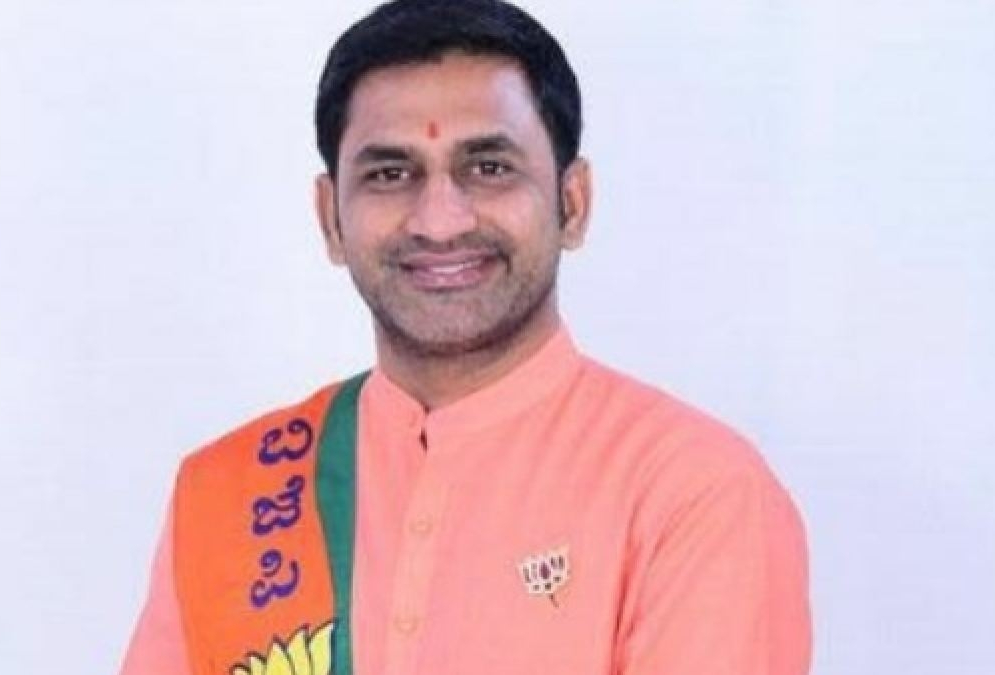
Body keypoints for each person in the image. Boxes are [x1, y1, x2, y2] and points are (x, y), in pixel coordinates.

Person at [120, 0, 812, 673]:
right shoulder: (229, 492)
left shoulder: (690, 491)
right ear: (331, 218)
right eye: (390, 174)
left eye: (488, 168)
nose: (440, 221)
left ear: (572, 203)